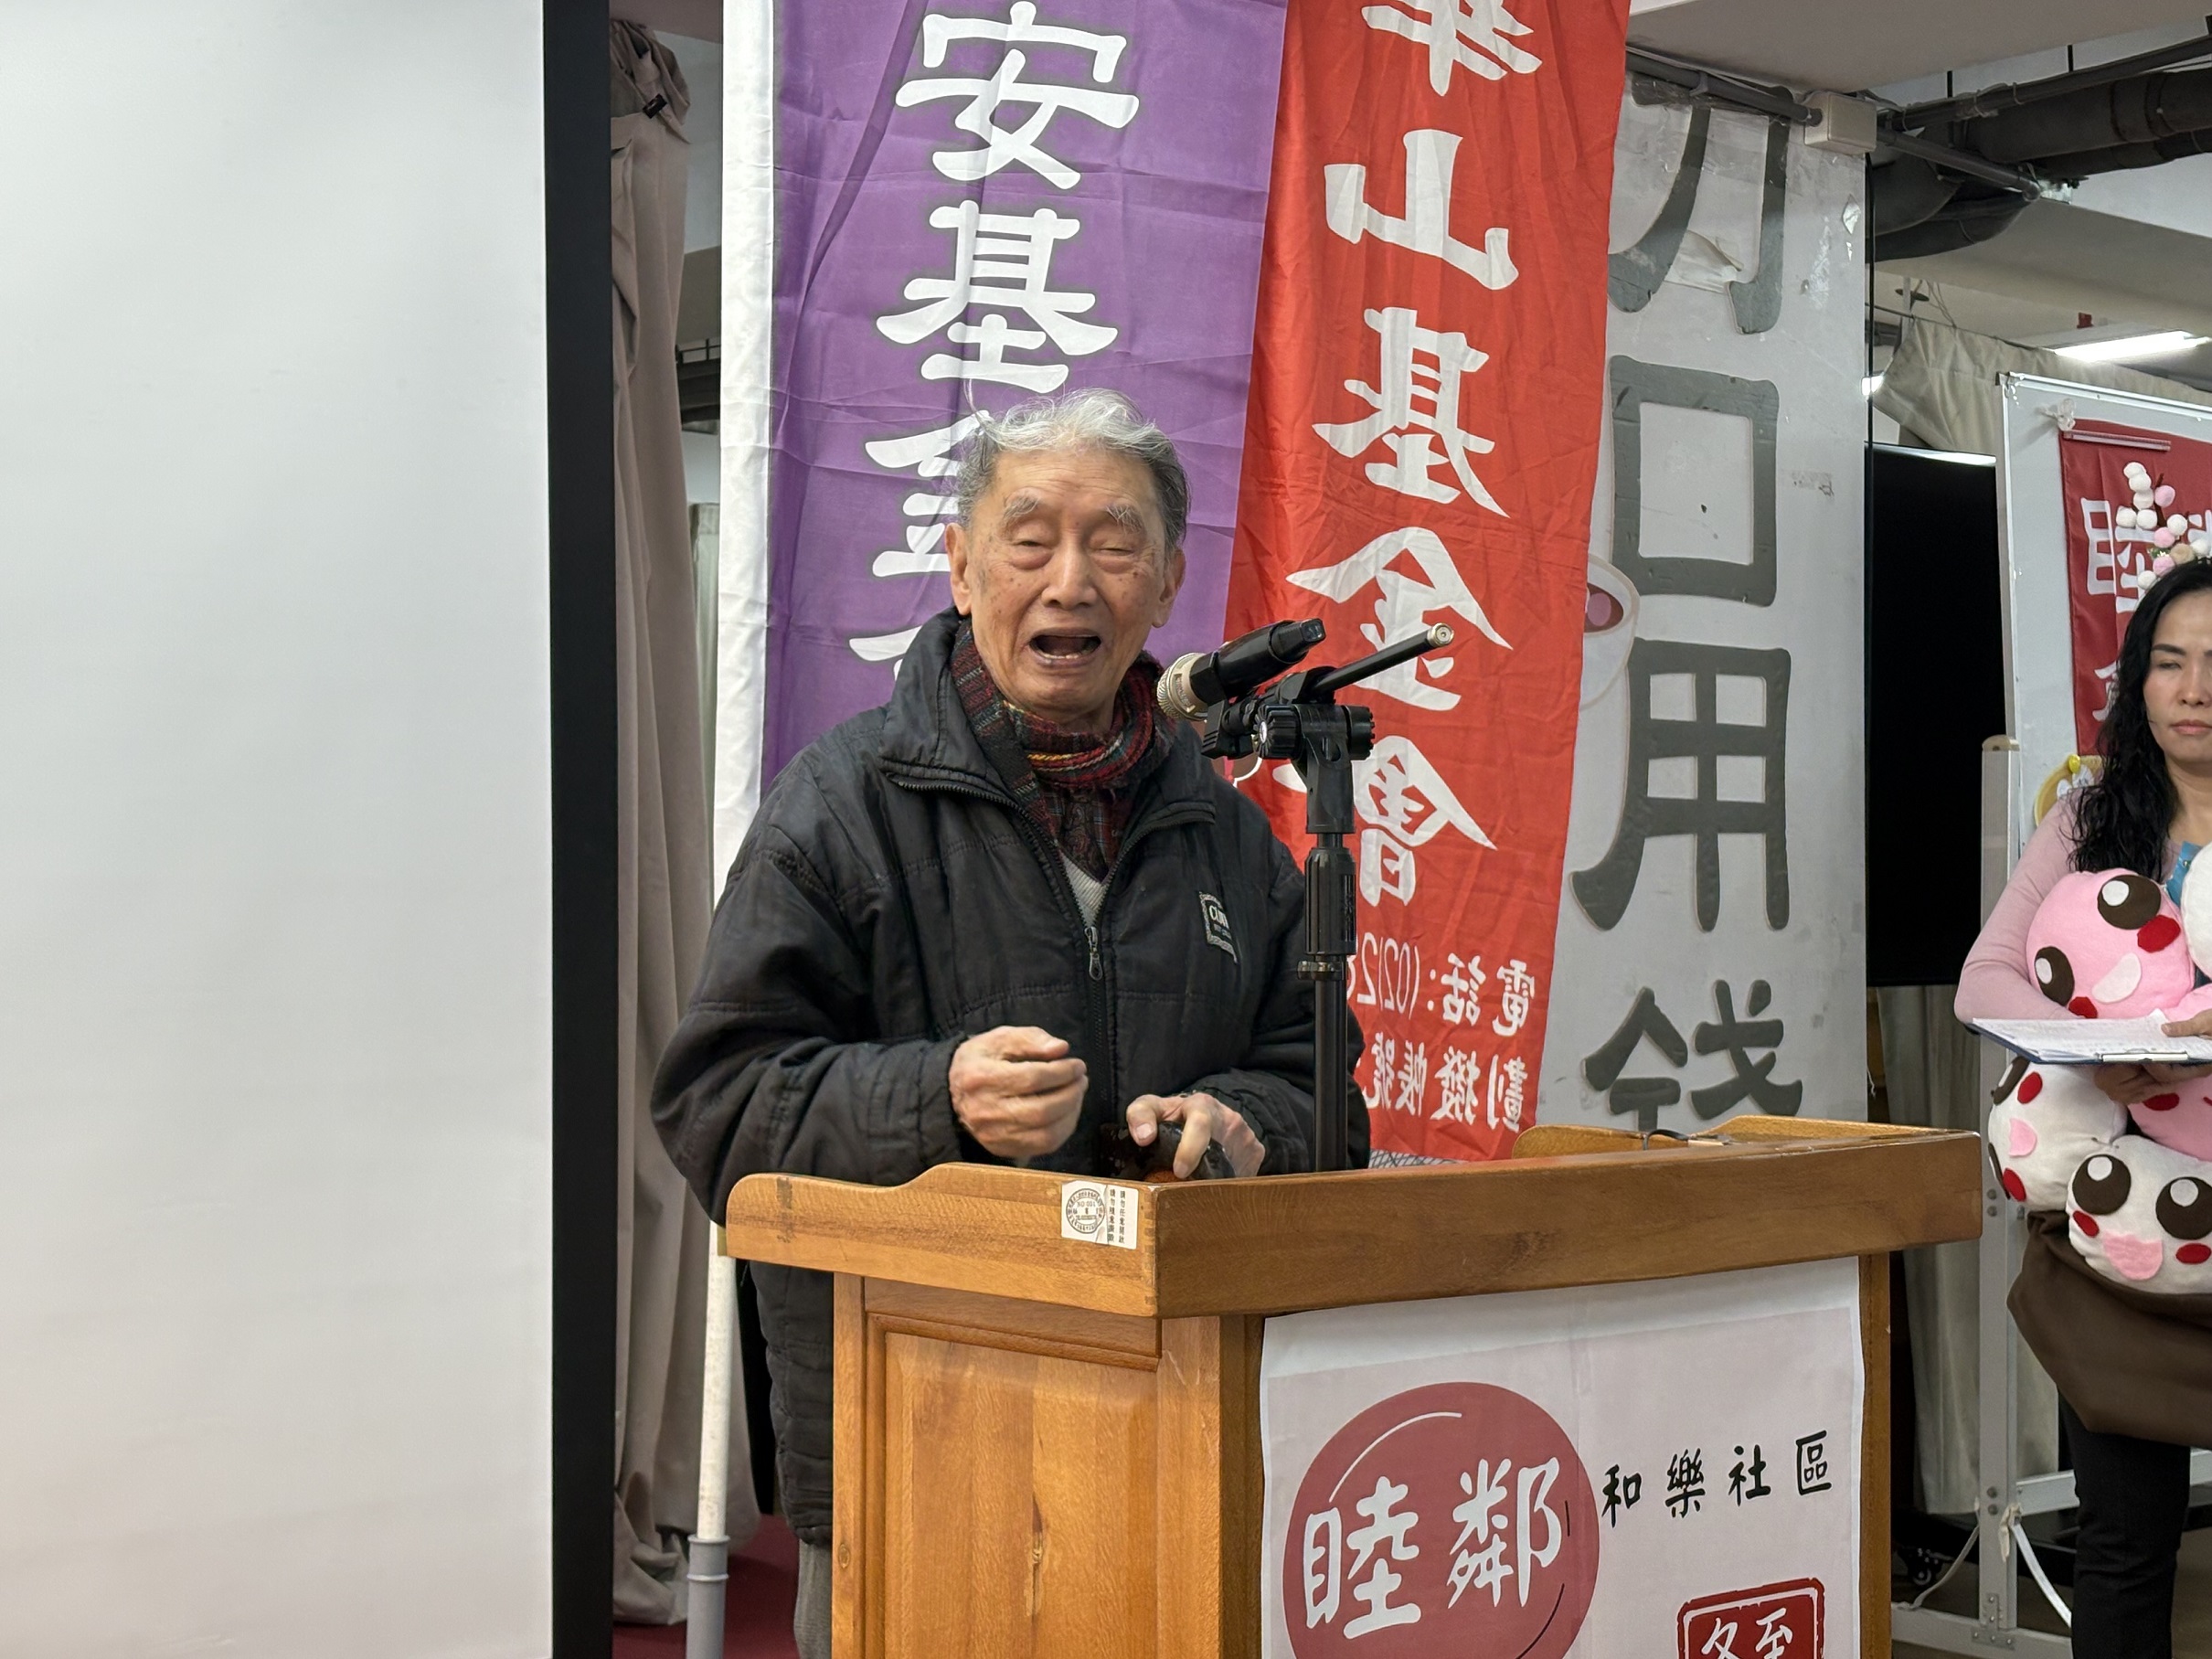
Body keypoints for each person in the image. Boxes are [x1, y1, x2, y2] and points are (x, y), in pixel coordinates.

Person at [651, 388, 1367, 1659]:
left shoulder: (1230, 835)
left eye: (1115, 543)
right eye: (1029, 539)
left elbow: (1325, 1095)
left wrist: (1244, 1123)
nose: (1070, 580)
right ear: (962, 566)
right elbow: (718, 1103)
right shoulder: (841, 807)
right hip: (908, 1447)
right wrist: (940, 1101)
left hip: (1175, 1432)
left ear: (1169, 580)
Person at [1957, 555, 2212, 1657]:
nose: (2192, 690)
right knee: (2121, 1539)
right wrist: (2106, 1052)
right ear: (2135, 680)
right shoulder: (2086, 819)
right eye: (2167, 662)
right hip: (2120, 1244)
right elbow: (1985, 980)